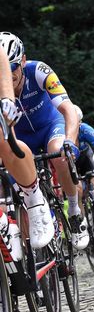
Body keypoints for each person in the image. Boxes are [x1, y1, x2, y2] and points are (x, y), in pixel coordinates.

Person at [1, 32, 88, 249]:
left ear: (23, 61)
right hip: (21, 136)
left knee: (60, 155)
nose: (9, 74)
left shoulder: (39, 71)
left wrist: (70, 141)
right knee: (17, 180)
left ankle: (74, 211)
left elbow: (68, 109)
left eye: (13, 67)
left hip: (50, 125)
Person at [0, 43, 54, 259]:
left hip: (45, 128)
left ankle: (34, 199)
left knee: (5, 141)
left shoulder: (37, 70)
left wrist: (7, 99)